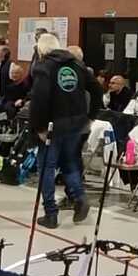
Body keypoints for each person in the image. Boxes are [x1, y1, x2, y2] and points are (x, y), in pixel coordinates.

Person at [30, 32, 92, 227]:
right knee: (69, 163)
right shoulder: (77, 67)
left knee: (46, 168)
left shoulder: (44, 67)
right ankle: (79, 197)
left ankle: (51, 213)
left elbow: (39, 100)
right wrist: (90, 117)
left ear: (41, 50)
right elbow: (96, 90)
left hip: (52, 126)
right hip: (74, 125)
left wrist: (39, 127)